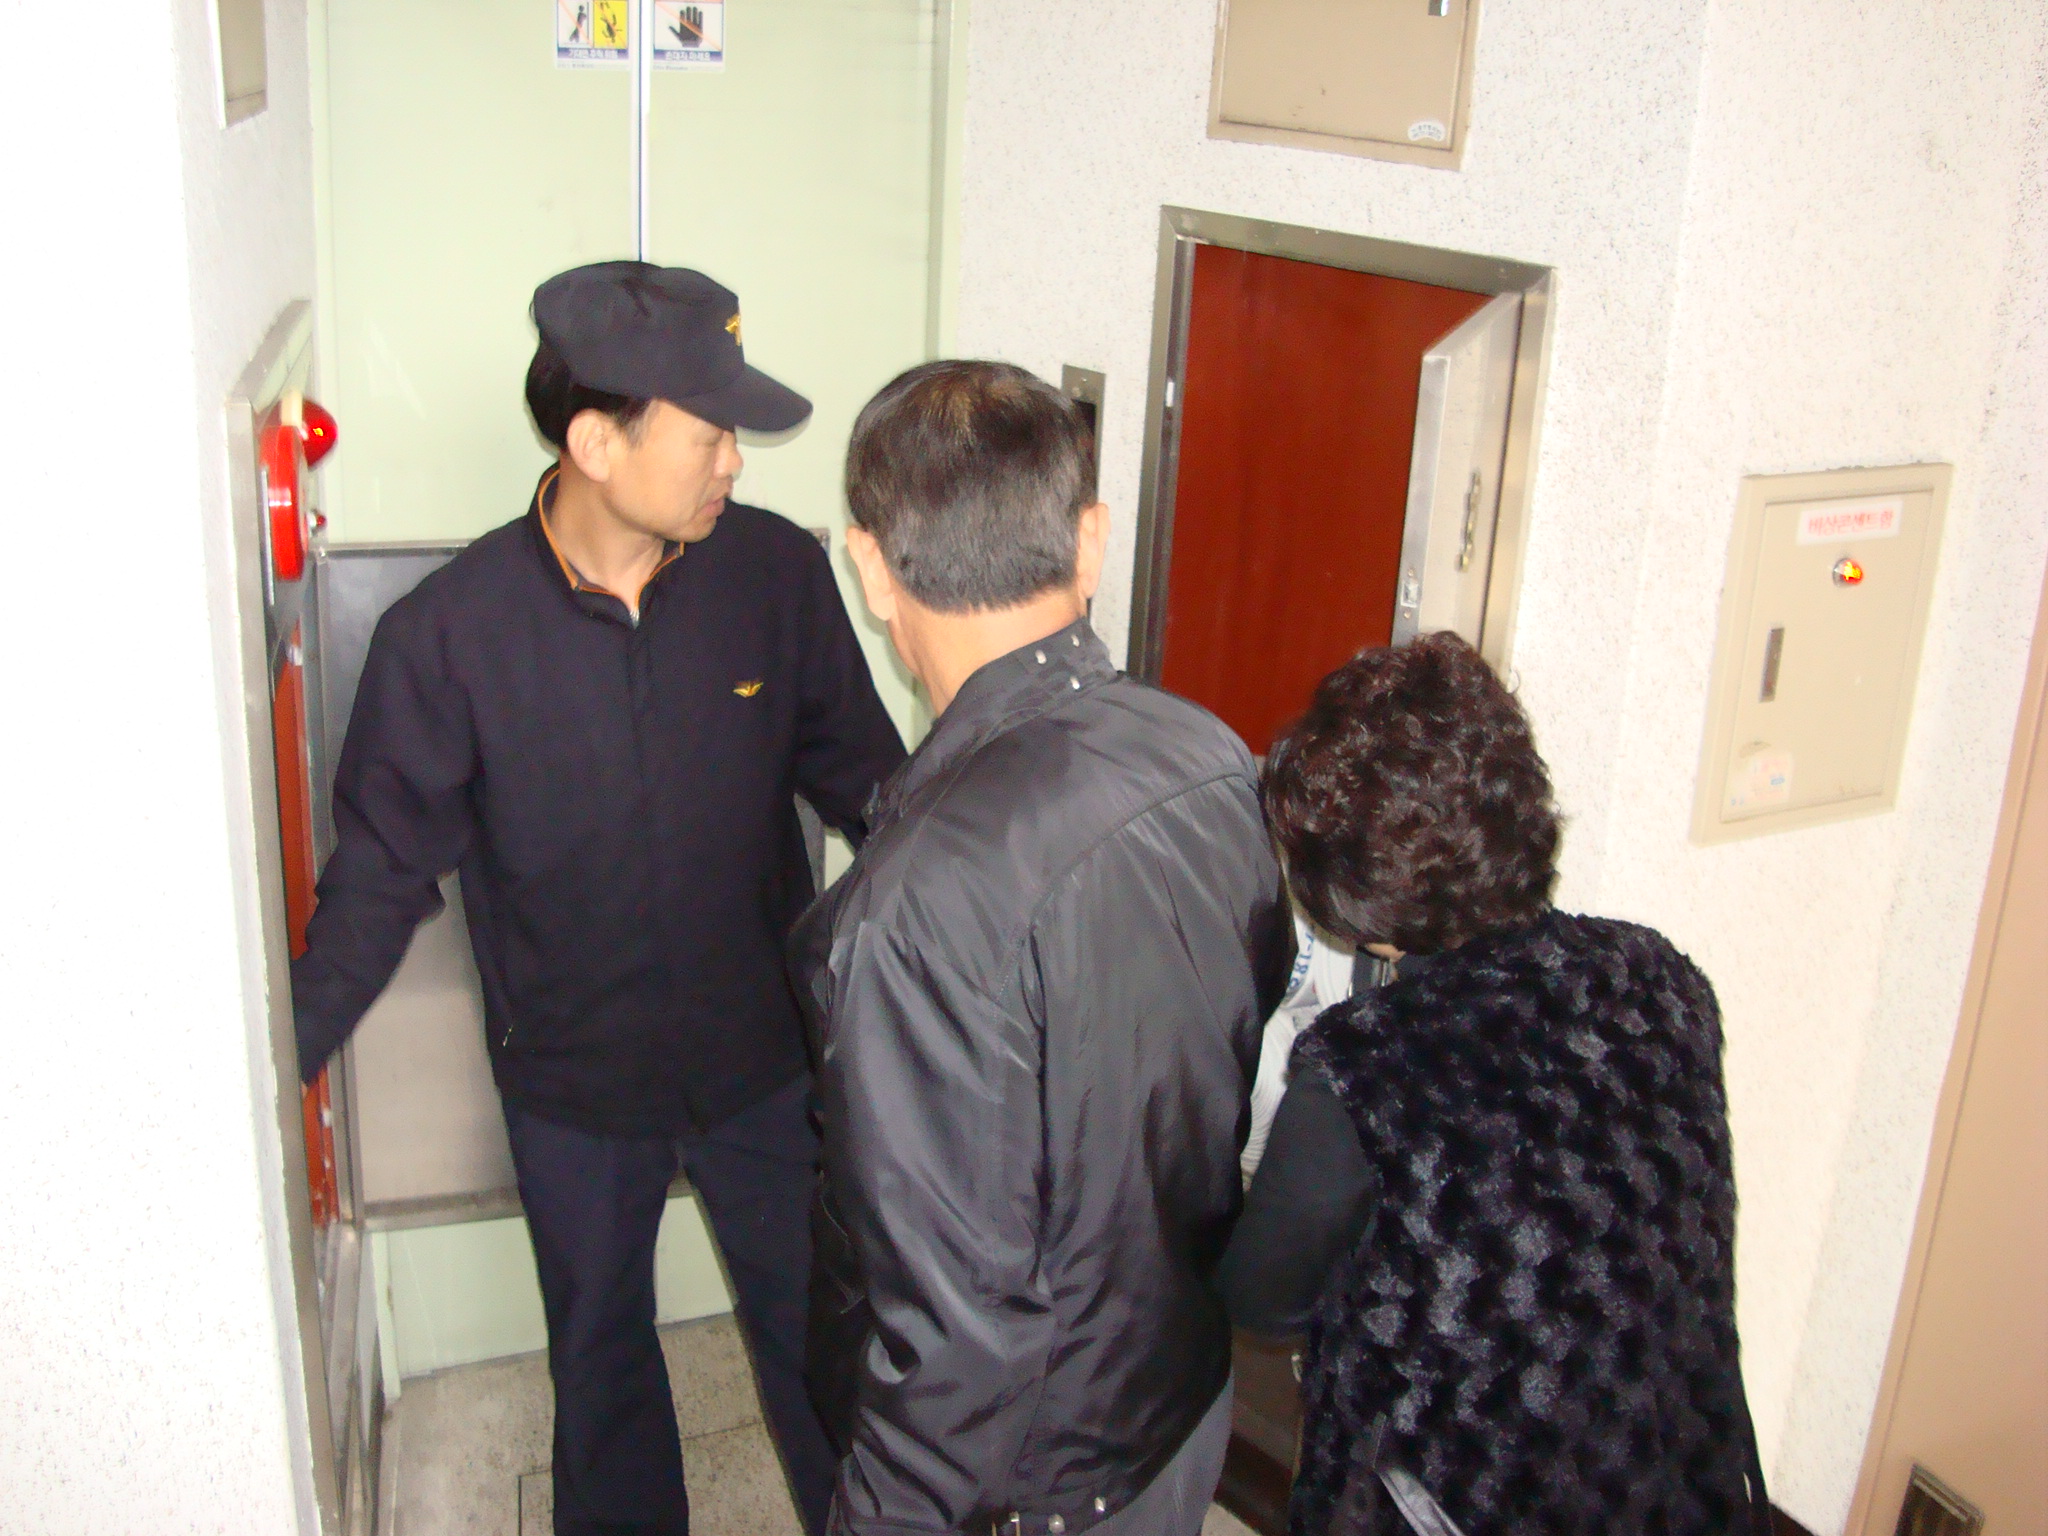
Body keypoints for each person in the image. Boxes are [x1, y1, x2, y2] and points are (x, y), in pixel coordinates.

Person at [291, 262, 906, 1536]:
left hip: (763, 1058)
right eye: (709, 432)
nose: (734, 461)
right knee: (601, 1361)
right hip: (571, 1082)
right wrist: (262, 1079)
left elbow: (875, 792)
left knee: (819, 1346)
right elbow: (376, 882)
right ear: (594, 443)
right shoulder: (448, 638)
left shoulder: (772, 576)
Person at [790, 360, 1296, 1536]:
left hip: (1038, 1483)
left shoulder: (914, 906)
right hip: (1180, 1399)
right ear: (1091, 540)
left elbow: (955, 1332)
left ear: (871, 567)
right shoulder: (1209, 754)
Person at [1219, 631, 1768, 1536]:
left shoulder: (1367, 1069)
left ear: (1354, 906)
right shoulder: (1663, 981)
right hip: (1670, 1483)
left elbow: (1260, 1298)